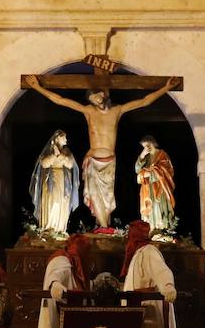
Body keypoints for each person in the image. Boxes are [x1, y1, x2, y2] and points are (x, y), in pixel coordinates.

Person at [24, 75, 179, 228]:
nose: (95, 100)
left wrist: (166, 87)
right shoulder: (88, 111)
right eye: (91, 99)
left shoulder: (117, 110)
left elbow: (145, 101)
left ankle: (103, 226)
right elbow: (61, 101)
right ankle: (105, 228)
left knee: (108, 198)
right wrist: (37, 87)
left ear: (103, 94)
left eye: (96, 96)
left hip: (110, 159)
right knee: (94, 194)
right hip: (92, 158)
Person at [29, 130, 80, 235]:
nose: (66, 140)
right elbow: (44, 163)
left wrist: (60, 156)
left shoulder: (66, 151)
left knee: (62, 202)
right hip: (50, 181)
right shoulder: (48, 151)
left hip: (63, 181)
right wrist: (54, 156)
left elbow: (70, 164)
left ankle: (60, 228)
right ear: (57, 138)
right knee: (52, 202)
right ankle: (49, 227)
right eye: (63, 137)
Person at [135, 135, 177, 232]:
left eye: (146, 146)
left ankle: (160, 229)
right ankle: (150, 228)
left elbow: (166, 170)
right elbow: (137, 169)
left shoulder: (162, 155)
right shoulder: (146, 157)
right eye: (143, 147)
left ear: (151, 144)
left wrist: (151, 173)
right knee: (149, 207)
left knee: (158, 207)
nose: (145, 149)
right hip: (147, 188)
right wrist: (142, 155)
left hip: (160, 187)